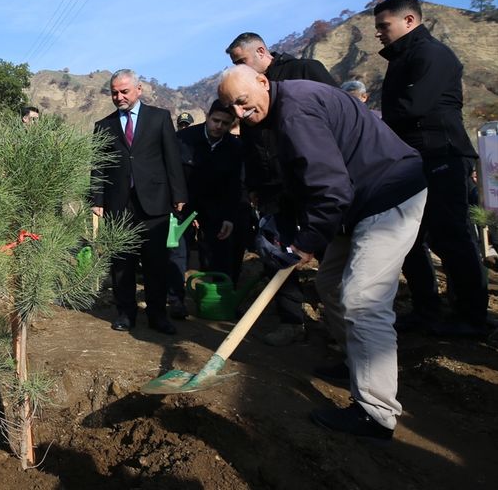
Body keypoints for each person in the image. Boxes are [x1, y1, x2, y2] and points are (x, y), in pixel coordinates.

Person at [218, 64, 426, 441]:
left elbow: (330, 189)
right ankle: (356, 363)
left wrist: (305, 243)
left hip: (387, 193)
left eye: (243, 101)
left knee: (362, 299)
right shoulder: (283, 109)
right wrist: (294, 222)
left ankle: (376, 413)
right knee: (330, 284)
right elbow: (307, 179)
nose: (238, 113)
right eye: (230, 106)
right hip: (357, 202)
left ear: (263, 82)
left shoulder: (296, 110)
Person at [374, 0, 488, 337]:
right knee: (410, 239)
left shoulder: (431, 54)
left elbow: (412, 107)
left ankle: (472, 317)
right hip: (415, 159)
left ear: (409, 21)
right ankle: (427, 309)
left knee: (450, 236)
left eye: (384, 25)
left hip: (441, 154)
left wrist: (372, 127)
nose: (378, 33)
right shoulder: (404, 56)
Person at [226, 32, 337, 346]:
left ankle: (339, 321)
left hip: (312, 177)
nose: (239, 69)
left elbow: (337, 115)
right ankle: (291, 320)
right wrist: (254, 184)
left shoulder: (304, 71)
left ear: (261, 51)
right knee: (276, 251)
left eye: (241, 61)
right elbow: (249, 141)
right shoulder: (244, 92)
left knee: (330, 248)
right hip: (273, 186)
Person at [91, 69, 187, 334]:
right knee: (122, 264)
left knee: (156, 263)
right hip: (118, 204)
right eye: (114, 92)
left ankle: (158, 315)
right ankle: (125, 313)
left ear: (138, 89)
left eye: (124, 91)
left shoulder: (159, 118)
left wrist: (179, 195)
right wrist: (97, 198)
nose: (119, 97)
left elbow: (172, 159)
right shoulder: (104, 125)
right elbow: (98, 166)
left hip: (155, 203)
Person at [177, 100, 244, 280]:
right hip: (184, 203)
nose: (219, 126)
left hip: (216, 205)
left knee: (217, 254)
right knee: (177, 253)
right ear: (207, 117)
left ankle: (214, 299)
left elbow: (234, 184)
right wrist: (176, 198)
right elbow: (172, 172)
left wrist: (229, 217)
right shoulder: (184, 138)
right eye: (215, 120)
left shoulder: (235, 147)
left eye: (225, 123)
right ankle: (175, 300)